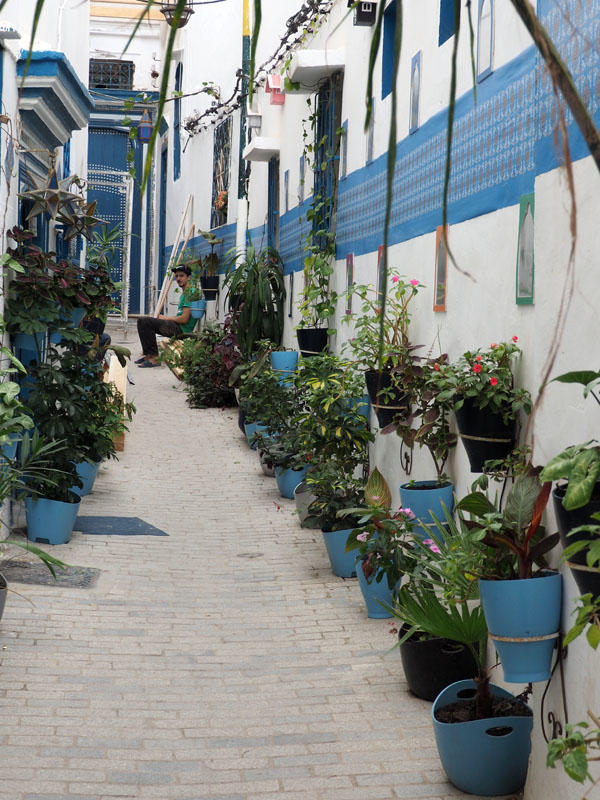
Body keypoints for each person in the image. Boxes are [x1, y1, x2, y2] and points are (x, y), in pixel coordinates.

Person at [135, 265, 196, 367]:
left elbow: (184, 319)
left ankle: (155, 358)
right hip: (177, 326)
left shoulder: (191, 293)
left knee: (147, 322)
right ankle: (149, 355)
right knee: (141, 320)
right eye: (177, 276)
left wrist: (166, 318)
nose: (178, 279)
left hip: (182, 331)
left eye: (181, 276)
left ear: (188, 277)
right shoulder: (185, 293)